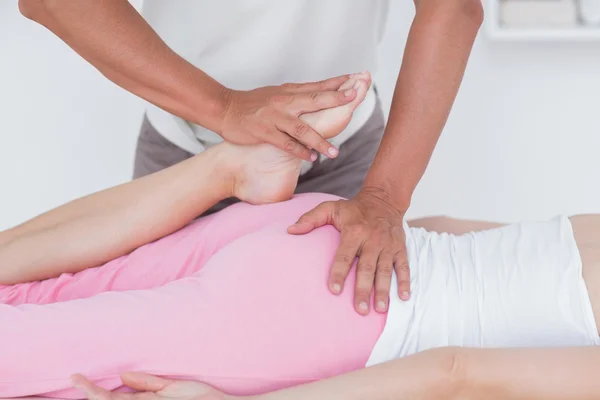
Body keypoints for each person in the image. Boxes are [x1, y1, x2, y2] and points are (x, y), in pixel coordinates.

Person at [1, 78, 599, 400]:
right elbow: (455, 375)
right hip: (340, 313)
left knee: (23, 291)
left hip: (326, 236)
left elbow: (445, 237)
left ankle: (228, 167)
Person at [17, 0, 485, 313]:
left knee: (335, 359)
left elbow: (453, 7)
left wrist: (383, 197)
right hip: (186, 149)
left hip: (344, 161)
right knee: (151, 359)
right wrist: (221, 107)